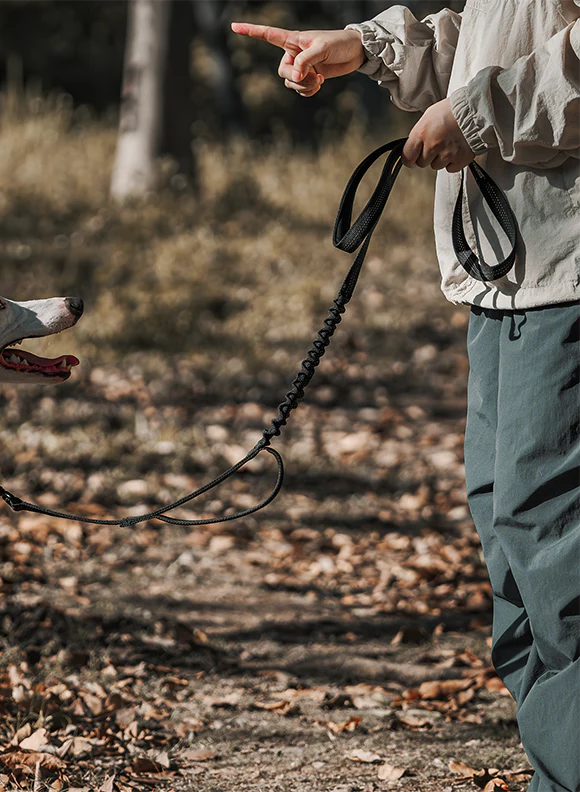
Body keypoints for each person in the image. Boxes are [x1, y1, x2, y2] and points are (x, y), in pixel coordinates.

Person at [233, 6, 580, 791]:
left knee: (554, 545)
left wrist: (477, 115)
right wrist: (369, 49)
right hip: (513, 273)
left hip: (568, 273)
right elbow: (504, 31)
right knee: (510, 533)